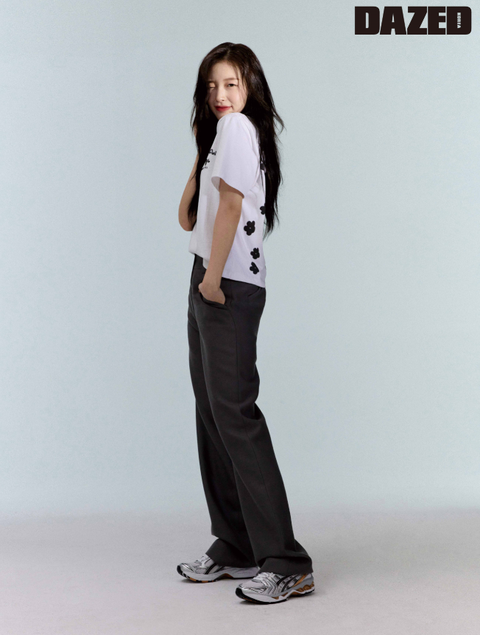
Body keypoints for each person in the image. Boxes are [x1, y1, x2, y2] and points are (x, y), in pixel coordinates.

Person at [177, 42, 314, 604]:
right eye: (211, 85)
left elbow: (231, 209)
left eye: (231, 84)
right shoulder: (221, 136)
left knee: (234, 415)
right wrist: (199, 151)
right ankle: (235, 544)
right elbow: (186, 215)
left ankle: (286, 562)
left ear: (250, 86)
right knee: (213, 412)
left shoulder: (238, 130)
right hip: (207, 277)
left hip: (226, 282)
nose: (220, 95)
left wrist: (212, 281)